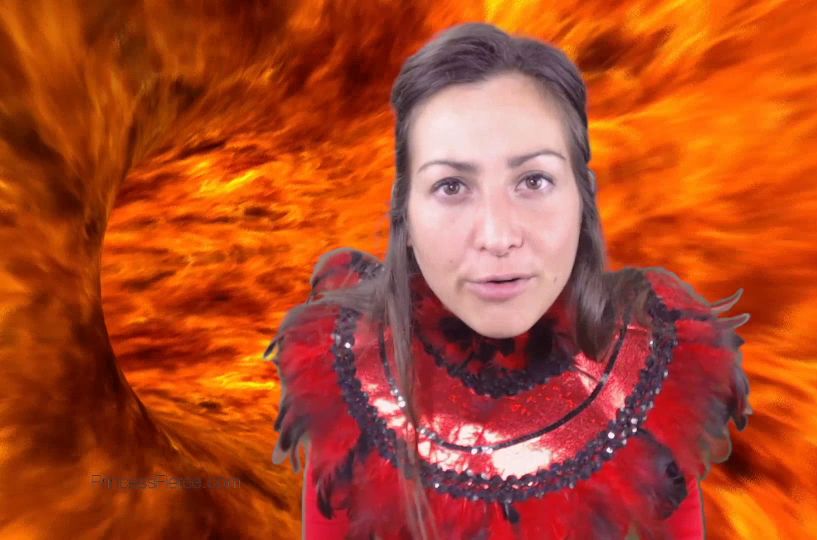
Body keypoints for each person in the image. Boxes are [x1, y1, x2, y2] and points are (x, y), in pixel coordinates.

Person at [267, 22, 752, 540]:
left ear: (583, 199)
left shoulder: (650, 379)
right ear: (404, 212)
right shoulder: (351, 386)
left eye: (534, 181)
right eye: (451, 186)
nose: (497, 236)